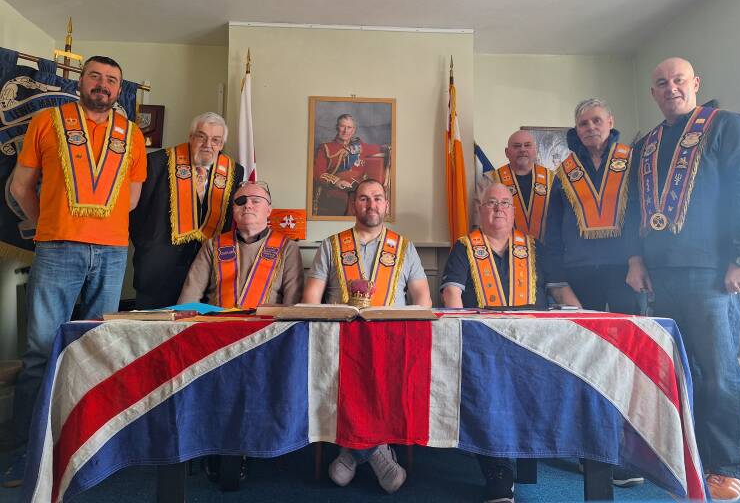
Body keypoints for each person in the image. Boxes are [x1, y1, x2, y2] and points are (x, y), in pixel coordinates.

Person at [3, 56, 147, 488]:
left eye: (112, 80)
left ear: (119, 90)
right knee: (40, 351)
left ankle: (86, 446)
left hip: (112, 253)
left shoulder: (132, 135)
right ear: (80, 82)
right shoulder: (47, 121)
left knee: (96, 349)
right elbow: (19, 186)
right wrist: (46, 226)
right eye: (95, 77)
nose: (104, 85)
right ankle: (26, 452)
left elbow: (132, 199)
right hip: (57, 249)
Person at [626, 57, 740, 501]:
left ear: (696, 83)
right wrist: (636, 259)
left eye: (679, 80)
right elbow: (634, 208)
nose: (671, 88)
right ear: (653, 93)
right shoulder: (645, 145)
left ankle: (727, 467)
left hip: (712, 272)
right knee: (680, 372)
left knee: (719, 372)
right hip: (659, 274)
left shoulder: (726, 125)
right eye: (661, 83)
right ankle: (691, 458)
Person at [303, 178, 432, 494]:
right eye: (363, 198)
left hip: (392, 346)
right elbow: (310, 300)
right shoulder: (331, 246)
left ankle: (351, 451)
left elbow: (424, 301)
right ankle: (377, 453)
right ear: (353, 205)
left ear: (386, 205)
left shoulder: (404, 248)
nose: (371, 204)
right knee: (348, 376)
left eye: (377, 198)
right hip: (340, 345)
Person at [441, 183, 545, 503]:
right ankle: (498, 469)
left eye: (504, 203)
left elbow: (559, 290)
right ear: (479, 209)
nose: (498, 208)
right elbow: (452, 294)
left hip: (534, 342)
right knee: (485, 391)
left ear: (513, 211)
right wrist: (464, 336)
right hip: (484, 343)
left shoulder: (534, 247)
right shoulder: (464, 247)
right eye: (491, 203)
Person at [130, 112, 243, 309]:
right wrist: (147, 246)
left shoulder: (235, 171)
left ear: (222, 144)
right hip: (157, 272)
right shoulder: (157, 162)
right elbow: (135, 213)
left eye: (216, 140)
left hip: (207, 274)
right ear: (191, 137)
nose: (208, 145)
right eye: (201, 137)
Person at [543, 98, 639, 316]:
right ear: (577, 130)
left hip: (625, 269)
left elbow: (639, 216)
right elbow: (553, 230)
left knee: (628, 332)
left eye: (597, 120)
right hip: (578, 270)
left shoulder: (632, 161)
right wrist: (558, 279)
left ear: (610, 122)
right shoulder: (565, 172)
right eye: (583, 124)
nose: (590, 127)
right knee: (584, 334)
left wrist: (639, 260)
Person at [178, 180, 303, 307]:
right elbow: (189, 298)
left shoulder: (287, 248)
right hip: (216, 319)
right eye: (241, 201)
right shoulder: (213, 245)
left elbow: (292, 307)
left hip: (266, 320)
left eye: (256, 201)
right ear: (234, 209)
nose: (247, 205)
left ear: (269, 210)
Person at [474, 130, 553, 241]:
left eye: (527, 145)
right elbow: (479, 222)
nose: (522, 149)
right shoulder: (490, 180)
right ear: (507, 152)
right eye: (517, 146)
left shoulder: (552, 180)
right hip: (503, 249)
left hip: (546, 248)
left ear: (535, 150)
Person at [312, 113, 389, 216]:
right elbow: (318, 173)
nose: (345, 131)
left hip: (359, 189)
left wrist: (389, 148)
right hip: (335, 190)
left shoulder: (361, 146)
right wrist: (336, 181)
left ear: (353, 130)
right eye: (342, 126)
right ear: (337, 127)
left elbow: (380, 148)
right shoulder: (325, 148)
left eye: (349, 127)